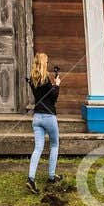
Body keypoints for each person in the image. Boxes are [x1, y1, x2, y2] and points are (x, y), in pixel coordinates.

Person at [26, 52, 61, 192]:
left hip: (37, 118)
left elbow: (42, 94)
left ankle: (31, 178)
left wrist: (52, 85)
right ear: (44, 63)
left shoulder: (32, 79)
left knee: (38, 148)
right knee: (54, 145)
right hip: (48, 116)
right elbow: (52, 98)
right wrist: (57, 85)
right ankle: (51, 176)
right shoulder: (46, 79)